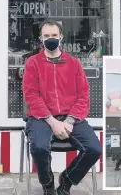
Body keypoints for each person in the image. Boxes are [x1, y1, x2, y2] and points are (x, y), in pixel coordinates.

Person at [22, 20, 102, 195]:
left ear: (61, 37)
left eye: (54, 35)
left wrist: (70, 121)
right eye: (46, 36)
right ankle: (48, 184)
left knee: (94, 149)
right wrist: (52, 122)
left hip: (71, 117)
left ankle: (66, 180)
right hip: (41, 118)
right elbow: (31, 95)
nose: (51, 39)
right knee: (39, 147)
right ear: (40, 39)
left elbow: (83, 94)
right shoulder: (33, 63)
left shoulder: (74, 63)